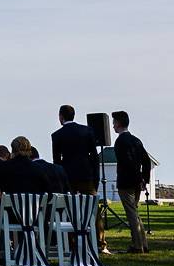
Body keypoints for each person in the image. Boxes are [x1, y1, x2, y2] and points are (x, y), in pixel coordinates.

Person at [51, 104, 105, 251]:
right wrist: (96, 178)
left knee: (69, 210)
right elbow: (94, 157)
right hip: (86, 175)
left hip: (68, 177)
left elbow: (57, 161)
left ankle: (72, 241)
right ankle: (100, 242)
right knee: (93, 208)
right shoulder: (87, 131)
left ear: (61, 117)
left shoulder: (57, 135)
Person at [112, 111, 152, 254]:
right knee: (135, 212)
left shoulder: (120, 142)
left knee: (131, 214)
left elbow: (127, 162)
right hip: (136, 182)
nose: (113, 126)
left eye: (114, 122)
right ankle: (143, 243)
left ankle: (137, 245)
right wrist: (143, 179)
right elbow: (146, 161)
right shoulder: (136, 140)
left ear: (118, 123)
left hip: (126, 182)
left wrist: (136, 176)